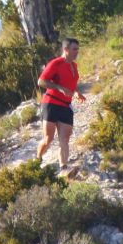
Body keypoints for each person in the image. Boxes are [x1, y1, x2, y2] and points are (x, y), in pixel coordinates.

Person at [36, 37, 86, 172]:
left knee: (64, 139)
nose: (77, 52)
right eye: (74, 49)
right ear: (66, 49)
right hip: (51, 104)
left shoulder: (74, 66)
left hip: (66, 106)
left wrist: (76, 93)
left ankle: (64, 168)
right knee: (48, 139)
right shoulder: (55, 63)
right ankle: (37, 159)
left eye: (78, 49)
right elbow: (41, 82)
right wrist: (59, 88)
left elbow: (70, 85)